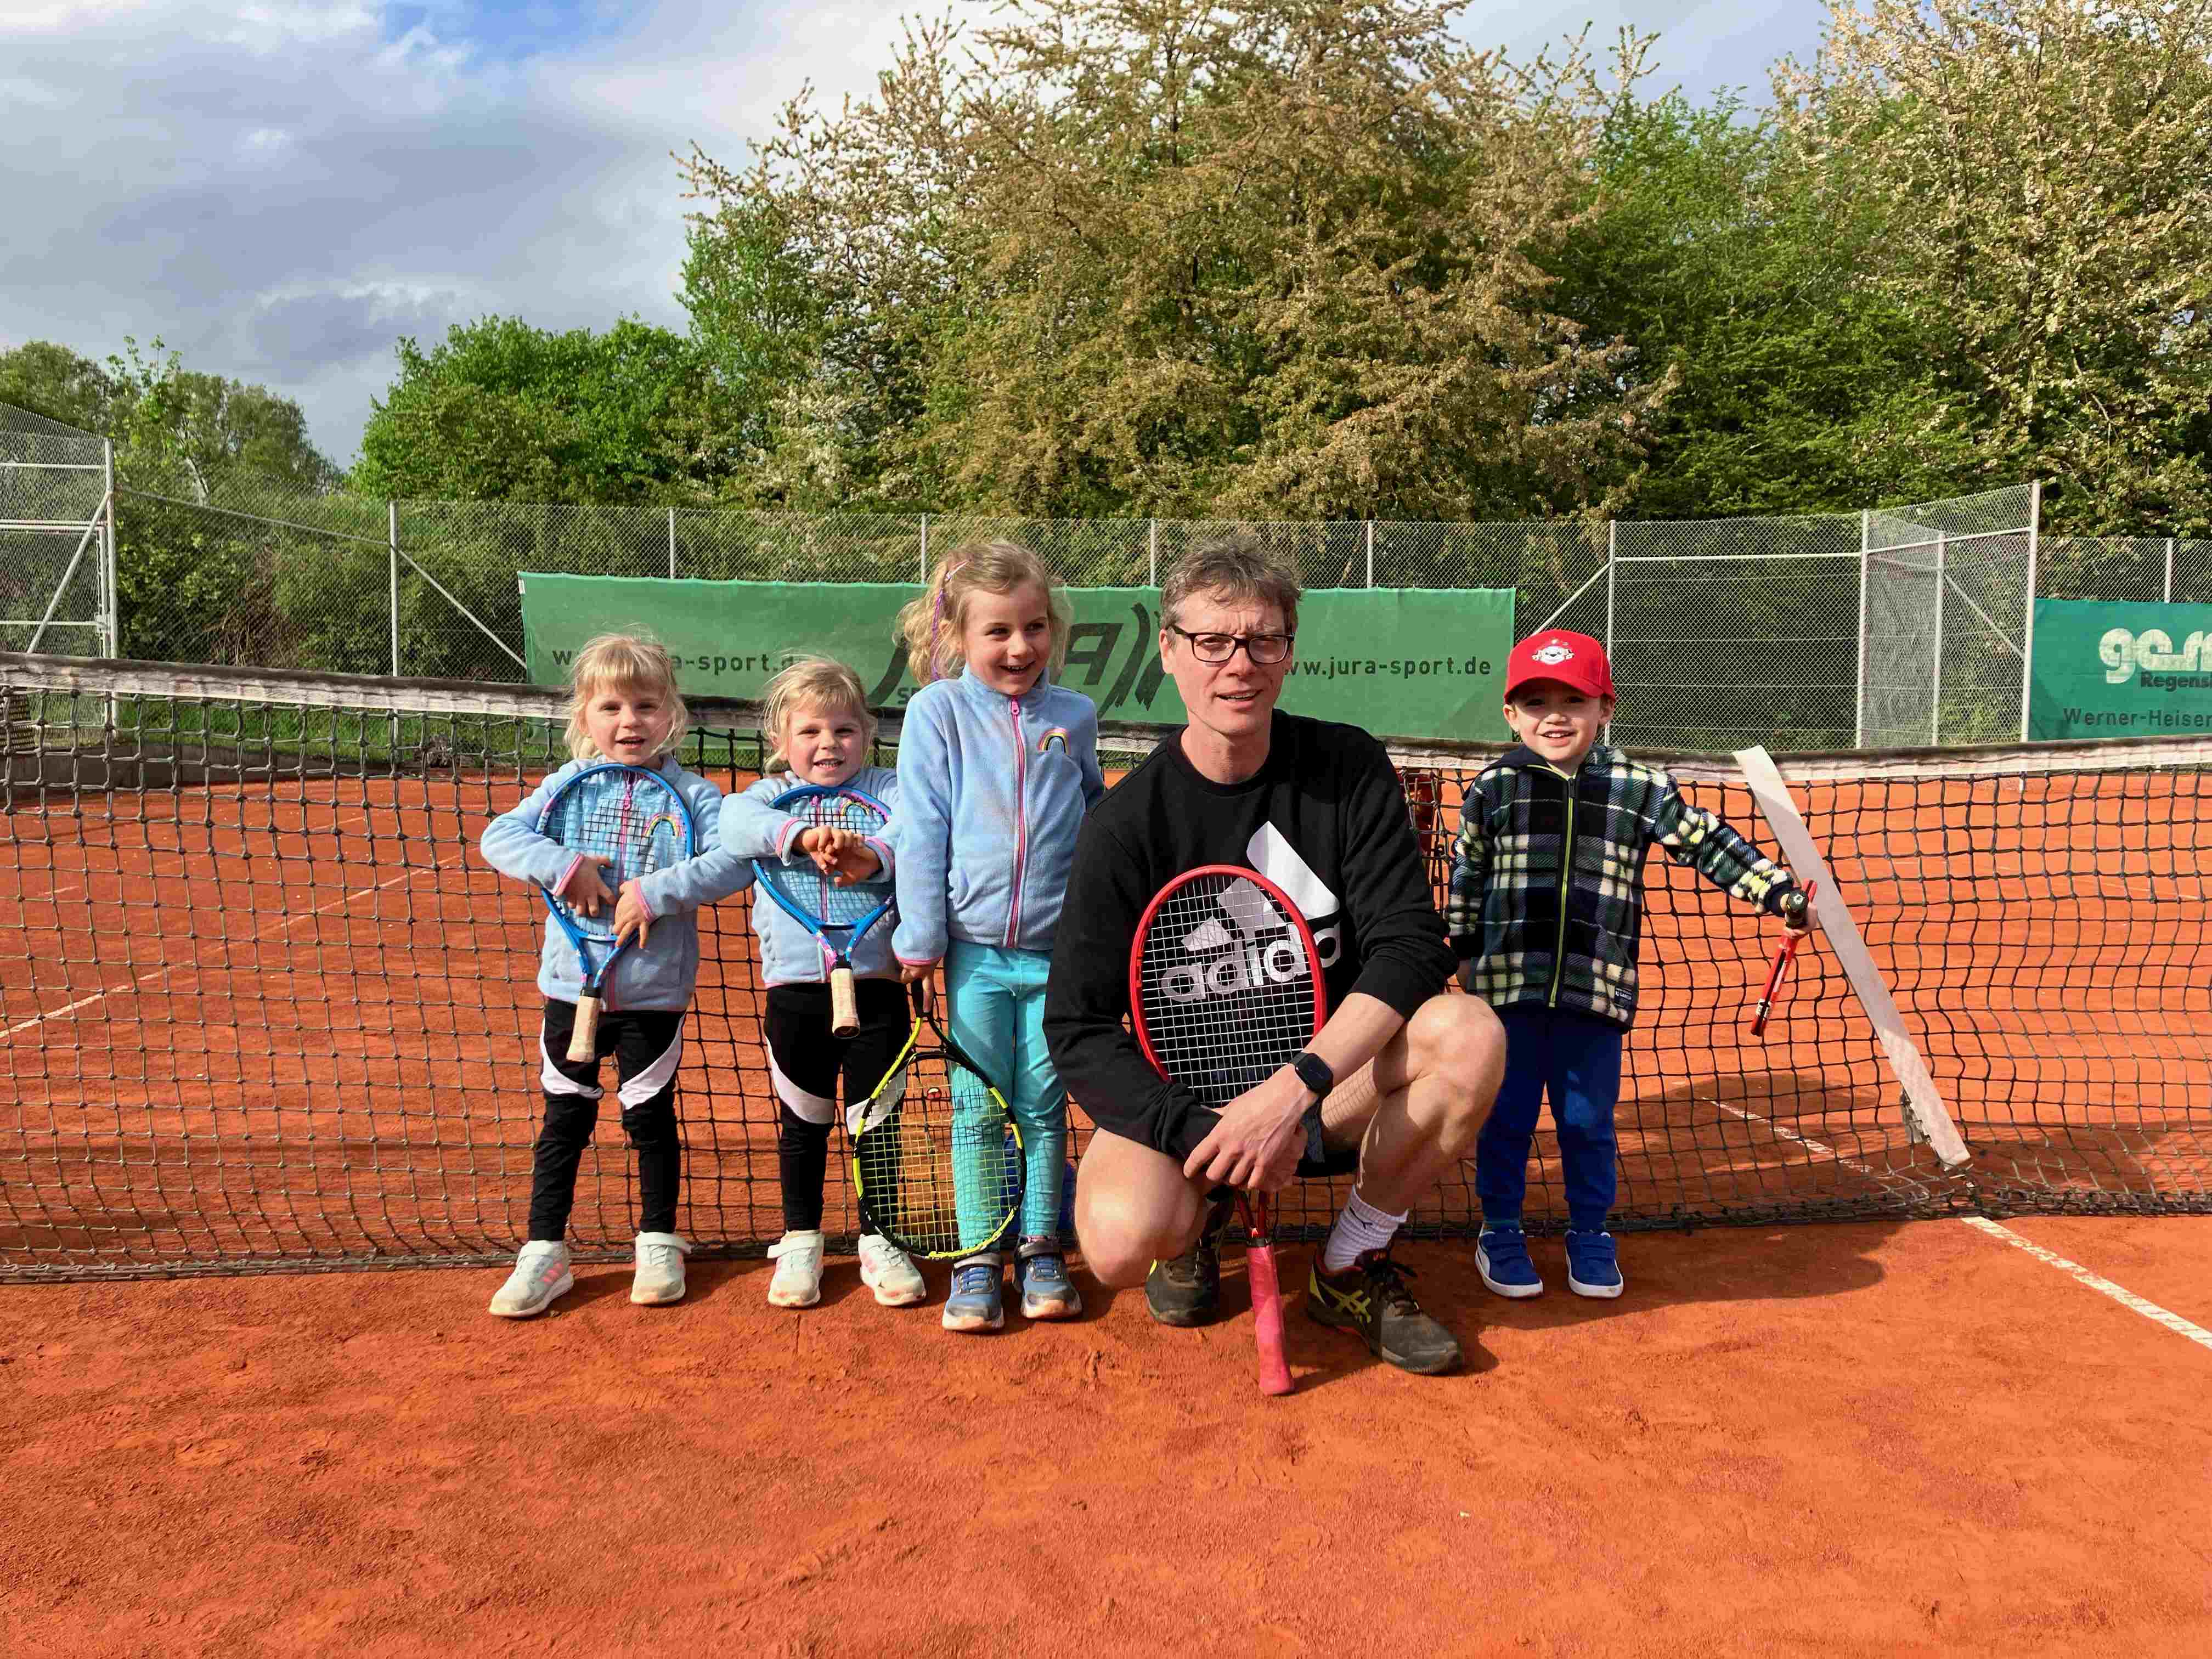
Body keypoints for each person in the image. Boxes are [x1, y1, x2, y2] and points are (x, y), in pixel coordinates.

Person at [1043, 537, 1506, 1377]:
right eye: (1213, 641)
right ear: (1170, 650)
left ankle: (1348, 1264)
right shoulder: (1124, 824)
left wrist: (1293, 1092)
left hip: (1321, 1089)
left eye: (1265, 640)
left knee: (1468, 1032)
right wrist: (1206, 1133)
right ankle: (1200, 1215)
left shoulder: (1348, 768)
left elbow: (1409, 947)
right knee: (1114, 1241)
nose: (1240, 664)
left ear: (1290, 650)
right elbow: (1077, 1027)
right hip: (1194, 1111)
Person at [1446, 629, 1812, 1300]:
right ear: (1510, 714)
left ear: (1606, 708)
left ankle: (1590, 1232)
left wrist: (1775, 890)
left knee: (1587, 1123)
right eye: (1536, 701)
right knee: (1507, 1120)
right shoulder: (1494, 788)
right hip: (1507, 995)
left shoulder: (1639, 787)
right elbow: (1467, 872)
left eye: (1573, 700)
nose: (1555, 715)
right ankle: (1500, 1229)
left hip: (1598, 992)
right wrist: (1465, 952)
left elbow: (1708, 844)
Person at [478, 634, 749, 1318]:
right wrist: (568, 867)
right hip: (570, 989)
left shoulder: (695, 793)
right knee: (564, 1120)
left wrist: (656, 892)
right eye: (612, 706)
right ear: (585, 717)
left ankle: (657, 1239)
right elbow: (499, 838)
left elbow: (733, 862)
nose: (630, 721)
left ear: (672, 714)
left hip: (654, 995)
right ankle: (544, 1252)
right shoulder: (564, 785)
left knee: (650, 1120)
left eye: (646, 705)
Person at [891, 540, 1107, 1332]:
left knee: (1047, 1105)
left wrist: (1099, 931)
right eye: (998, 632)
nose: (1020, 648)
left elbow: (1093, 820)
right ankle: (981, 1256)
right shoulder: (936, 713)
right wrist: (919, 939)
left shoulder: (1075, 715)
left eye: (1036, 627)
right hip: (974, 954)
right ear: (954, 635)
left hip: (1058, 955)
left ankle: (1042, 1249)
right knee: (978, 1107)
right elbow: (921, 830)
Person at [718, 657, 927, 1312]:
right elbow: (732, 823)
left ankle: (880, 1237)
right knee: (802, 1123)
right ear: (780, 743)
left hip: (879, 988)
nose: (828, 744)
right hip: (795, 993)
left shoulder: (891, 788)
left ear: (867, 734)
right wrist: (800, 834)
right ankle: (802, 1238)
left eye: (844, 730)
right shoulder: (763, 796)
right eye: (809, 732)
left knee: (878, 1125)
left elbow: (914, 830)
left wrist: (873, 854)